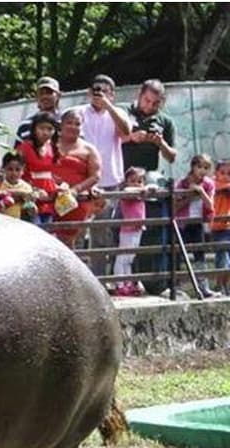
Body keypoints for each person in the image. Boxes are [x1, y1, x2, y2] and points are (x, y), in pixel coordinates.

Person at [122, 80, 178, 294]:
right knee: (120, 233)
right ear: (140, 94)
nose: (149, 106)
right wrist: (131, 137)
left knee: (149, 232)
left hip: (148, 183)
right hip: (122, 179)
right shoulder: (124, 112)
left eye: (155, 103)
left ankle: (155, 283)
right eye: (147, 100)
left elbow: (171, 156)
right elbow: (109, 141)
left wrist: (160, 142)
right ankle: (120, 281)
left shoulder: (165, 121)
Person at [78, 75, 133, 277]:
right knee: (77, 231)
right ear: (89, 92)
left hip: (110, 182)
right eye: (96, 89)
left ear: (112, 94)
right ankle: (77, 279)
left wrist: (108, 106)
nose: (99, 93)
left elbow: (126, 132)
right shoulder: (78, 113)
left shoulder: (118, 113)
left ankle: (99, 278)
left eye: (105, 90)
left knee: (101, 233)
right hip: (83, 181)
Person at [52, 109, 101, 248]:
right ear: (61, 125)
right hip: (51, 199)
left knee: (72, 245)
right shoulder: (49, 145)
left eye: (77, 124)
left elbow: (95, 176)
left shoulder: (89, 149)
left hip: (77, 202)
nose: (73, 126)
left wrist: (76, 190)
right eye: (69, 123)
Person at [173, 154, 217, 296]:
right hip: (182, 223)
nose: (202, 171)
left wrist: (201, 192)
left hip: (198, 223)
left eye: (206, 168)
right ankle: (176, 287)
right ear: (193, 167)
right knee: (178, 254)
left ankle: (203, 287)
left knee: (199, 255)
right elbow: (174, 207)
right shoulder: (182, 183)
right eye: (199, 167)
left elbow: (210, 205)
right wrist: (190, 196)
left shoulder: (208, 184)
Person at [16, 112, 60, 226]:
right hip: (30, 198)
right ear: (34, 129)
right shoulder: (24, 148)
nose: (45, 132)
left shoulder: (53, 148)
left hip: (49, 198)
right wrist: (34, 191)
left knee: (48, 230)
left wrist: (60, 187)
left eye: (49, 129)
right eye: (41, 128)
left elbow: (52, 173)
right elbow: (17, 175)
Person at [113, 167, 149, 296]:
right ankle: (119, 284)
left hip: (137, 229)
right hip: (127, 230)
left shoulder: (140, 194)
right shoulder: (127, 194)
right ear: (126, 181)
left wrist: (145, 189)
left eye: (139, 181)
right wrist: (141, 189)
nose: (136, 184)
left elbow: (153, 188)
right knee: (122, 258)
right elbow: (128, 190)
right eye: (132, 181)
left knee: (130, 259)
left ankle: (128, 283)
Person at [16, 77, 63, 141]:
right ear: (36, 97)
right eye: (41, 93)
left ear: (58, 96)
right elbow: (19, 147)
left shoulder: (66, 123)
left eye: (49, 92)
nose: (44, 96)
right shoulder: (25, 125)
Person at [0, 153, 37, 221]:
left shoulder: (26, 187)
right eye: (10, 169)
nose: (14, 173)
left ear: (23, 170)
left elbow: (29, 204)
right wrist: (20, 194)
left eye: (17, 170)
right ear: (3, 168)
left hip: (18, 222)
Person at [212, 160, 230, 294]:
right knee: (223, 258)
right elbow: (215, 186)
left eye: (229, 174)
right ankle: (220, 285)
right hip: (219, 227)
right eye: (222, 173)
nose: (225, 176)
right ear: (216, 173)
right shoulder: (213, 184)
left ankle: (225, 286)